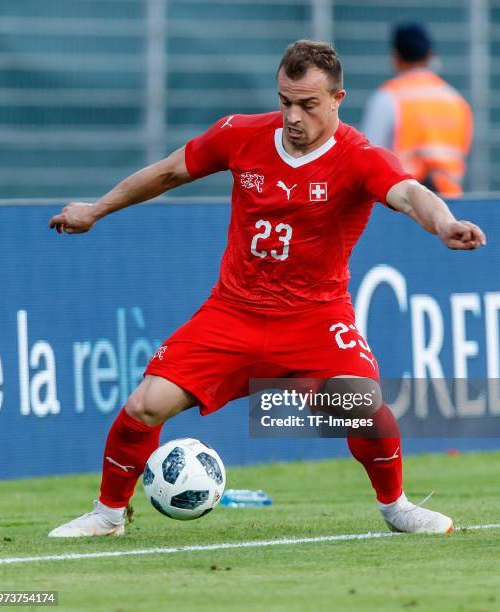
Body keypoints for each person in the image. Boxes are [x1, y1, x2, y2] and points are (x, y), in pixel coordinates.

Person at [48, 40, 485, 538]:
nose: (293, 116)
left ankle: (397, 507)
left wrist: (445, 223)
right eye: (285, 101)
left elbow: (410, 194)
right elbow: (169, 171)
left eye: (308, 104)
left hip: (317, 317)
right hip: (233, 312)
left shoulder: (359, 156)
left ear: (338, 98)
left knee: (364, 406)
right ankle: (108, 515)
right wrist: (95, 209)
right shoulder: (241, 134)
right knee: (145, 404)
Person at [361, 23, 473, 197]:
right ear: (430, 55)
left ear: (396, 57)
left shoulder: (388, 97)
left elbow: (369, 159)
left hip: (405, 203)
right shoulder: (456, 101)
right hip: (451, 206)